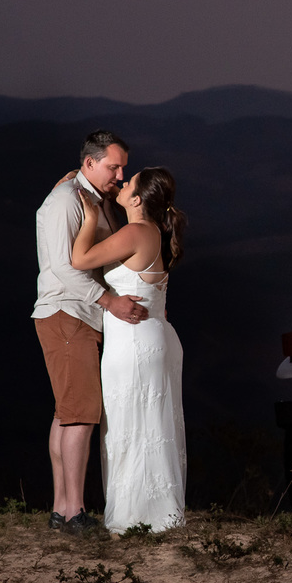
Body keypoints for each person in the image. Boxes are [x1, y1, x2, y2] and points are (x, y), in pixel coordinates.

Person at [33, 130, 149, 537]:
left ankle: (62, 509)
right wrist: (109, 301)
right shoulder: (66, 200)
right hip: (68, 312)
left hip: (76, 315)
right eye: (113, 166)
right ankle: (74, 512)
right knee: (81, 414)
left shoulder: (87, 198)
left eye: (122, 167)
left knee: (68, 412)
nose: (120, 174)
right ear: (89, 163)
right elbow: (66, 269)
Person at [71, 166, 188, 533]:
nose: (121, 183)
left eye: (129, 183)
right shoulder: (154, 233)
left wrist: (89, 218)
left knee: (128, 425)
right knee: (151, 423)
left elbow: (80, 260)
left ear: (137, 200)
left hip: (134, 342)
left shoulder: (136, 231)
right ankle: (155, 515)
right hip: (154, 336)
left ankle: (134, 518)